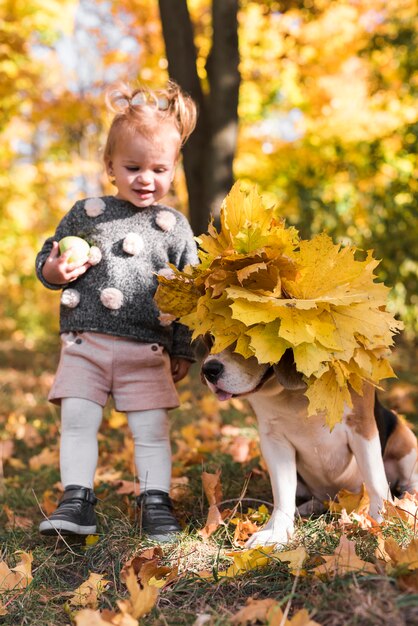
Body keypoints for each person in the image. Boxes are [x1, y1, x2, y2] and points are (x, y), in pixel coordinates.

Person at [35, 81, 198, 542]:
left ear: (172, 169)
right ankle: (77, 499)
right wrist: (55, 267)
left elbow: (189, 295)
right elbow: (48, 262)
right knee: (78, 422)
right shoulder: (86, 213)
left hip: (146, 350)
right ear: (110, 167)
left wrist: (183, 347)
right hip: (85, 343)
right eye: (133, 167)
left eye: (158, 168)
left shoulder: (176, 228)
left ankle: (155, 503)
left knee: (151, 430)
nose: (146, 178)